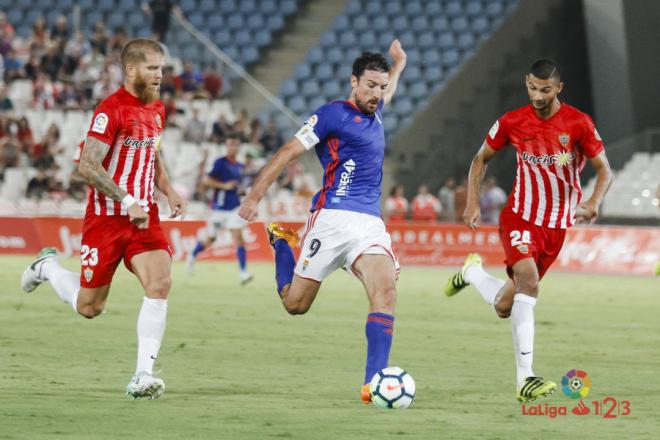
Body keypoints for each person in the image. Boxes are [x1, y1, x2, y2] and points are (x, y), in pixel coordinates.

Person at [238, 41, 407, 404]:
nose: (377, 93)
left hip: (369, 224)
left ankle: (373, 385)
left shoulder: (376, 111)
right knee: (295, 304)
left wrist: (401, 63)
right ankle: (282, 242)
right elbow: (286, 152)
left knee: (385, 292)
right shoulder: (331, 114)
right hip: (331, 218)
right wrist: (254, 197)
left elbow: (390, 87)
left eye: (381, 86)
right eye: (370, 86)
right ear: (353, 81)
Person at [20, 39, 187, 400]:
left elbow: (151, 152)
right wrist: (127, 200)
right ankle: (47, 267)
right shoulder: (110, 110)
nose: (160, 74)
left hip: (145, 219)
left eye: (162, 68)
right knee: (90, 307)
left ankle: (143, 374)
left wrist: (168, 189)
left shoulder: (157, 108)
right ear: (131, 70)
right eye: (153, 68)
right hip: (107, 220)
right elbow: (87, 166)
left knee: (160, 283)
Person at [443, 59, 612, 402]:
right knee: (529, 282)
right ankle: (526, 379)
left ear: (559, 88)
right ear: (526, 83)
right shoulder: (512, 121)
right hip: (520, 218)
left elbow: (604, 170)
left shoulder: (579, 124)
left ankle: (472, 272)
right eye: (532, 88)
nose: (537, 95)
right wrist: (472, 203)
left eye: (545, 90)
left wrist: (594, 200)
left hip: (556, 228)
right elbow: (480, 159)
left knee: (506, 305)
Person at [186, 133, 253, 284]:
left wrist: (241, 191)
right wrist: (224, 185)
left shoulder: (240, 167)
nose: (233, 147)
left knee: (239, 238)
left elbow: (241, 186)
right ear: (226, 146)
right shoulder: (220, 163)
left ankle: (243, 273)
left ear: (239, 147)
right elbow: (206, 180)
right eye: (230, 144)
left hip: (234, 208)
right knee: (210, 239)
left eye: (235, 144)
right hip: (218, 209)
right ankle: (192, 254)